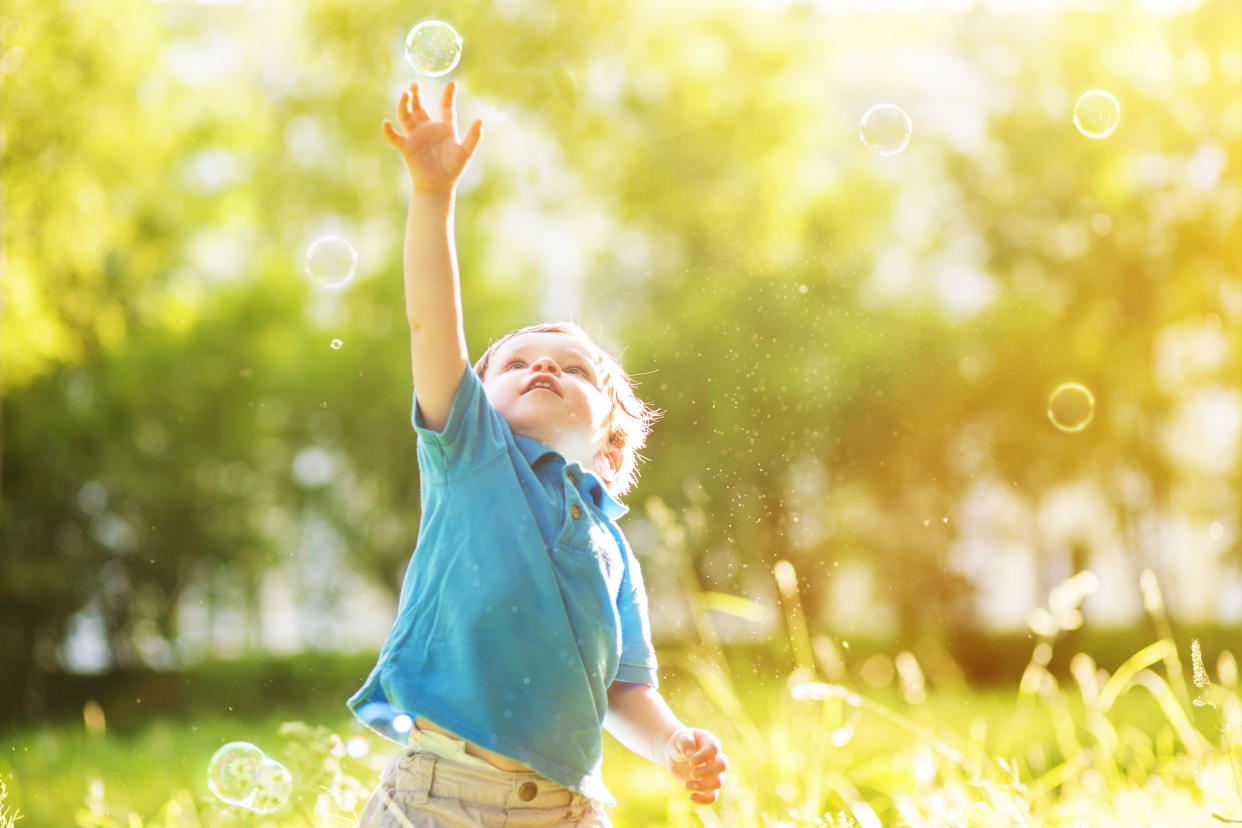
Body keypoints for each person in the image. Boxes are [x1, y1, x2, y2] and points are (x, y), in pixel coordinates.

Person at [350, 80, 728, 828]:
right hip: (440, 798)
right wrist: (433, 196)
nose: (544, 367)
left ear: (614, 444)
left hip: (567, 808)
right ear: (473, 400)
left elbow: (625, 692)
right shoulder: (470, 457)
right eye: (515, 363)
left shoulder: (612, 547)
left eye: (576, 367)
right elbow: (432, 324)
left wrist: (673, 743)